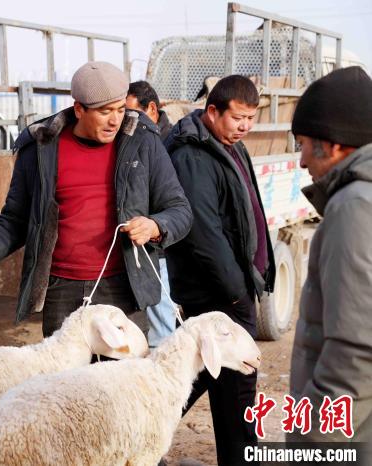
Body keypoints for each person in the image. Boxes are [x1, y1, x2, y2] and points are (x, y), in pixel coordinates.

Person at [0, 61, 192, 337]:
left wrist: (155, 226)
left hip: (123, 287)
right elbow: (14, 222)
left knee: (115, 380)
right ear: (79, 109)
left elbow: (180, 209)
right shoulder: (40, 148)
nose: (115, 120)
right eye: (105, 112)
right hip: (61, 291)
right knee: (65, 380)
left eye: (119, 109)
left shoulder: (142, 141)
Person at [164, 74, 275, 466]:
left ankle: (137, 433)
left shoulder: (228, 145)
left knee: (197, 382)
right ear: (212, 111)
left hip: (229, 290)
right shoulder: (192, 155)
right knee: (235, 397)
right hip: (216, 296)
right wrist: (236, 292)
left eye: (250, 118)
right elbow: (203, 234)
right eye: (238, 118)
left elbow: (248, 212)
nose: (245, 126)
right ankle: (133, 432)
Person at [287, 67, 372, 452]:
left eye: (303, 143)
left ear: (334, 144)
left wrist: (314, 439)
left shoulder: (353, 205)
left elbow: (356, 348)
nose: (302, 160)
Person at [126, 80, 175, 347]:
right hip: (140, 236)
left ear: (152, 108)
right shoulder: (133, 138)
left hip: (160, 240)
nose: (125, 120)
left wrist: (155, 225)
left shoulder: (170, 142)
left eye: (131, 113)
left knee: (160, 310)